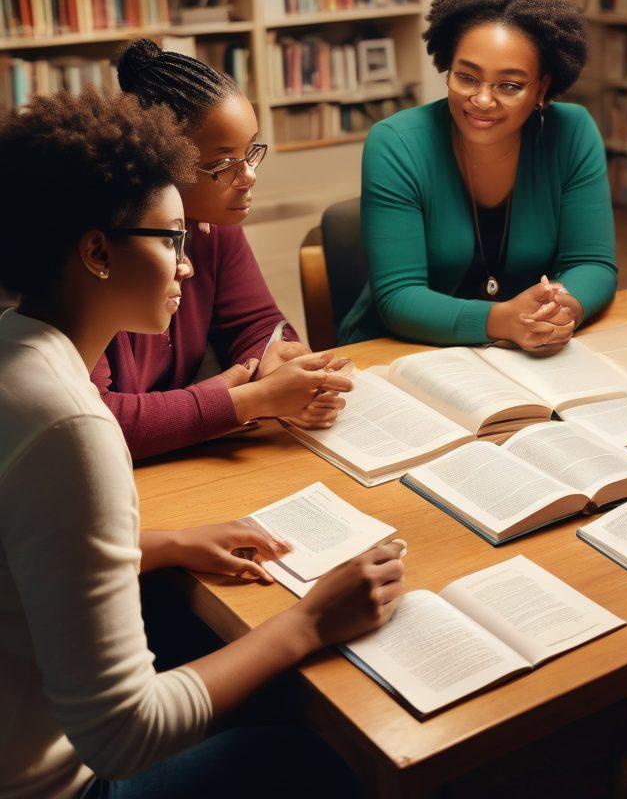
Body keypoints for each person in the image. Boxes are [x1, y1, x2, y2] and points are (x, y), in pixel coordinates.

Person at [0, 88, 405, 798]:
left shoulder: (16, 354)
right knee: (325, 752)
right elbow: (124, 735)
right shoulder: (75, 428)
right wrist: (309, 622)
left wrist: (167, 543)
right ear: (97, 251)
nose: (189, 265)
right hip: (49, 783)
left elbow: (24, 554)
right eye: (172, 240)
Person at [337, 0, 617, 350]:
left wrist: (562, 309)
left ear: (542, 88)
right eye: (467, 77)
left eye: (509, 85)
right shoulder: (395, 143)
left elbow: (593, 264)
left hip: (522, 354)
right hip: (400, 351)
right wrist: (504, 320)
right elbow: (398, 297)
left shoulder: (572, 132)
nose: (482, 100)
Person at [92, 39, 348, 461]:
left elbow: (255, 320)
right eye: (224, 163)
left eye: (249, 152)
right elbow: (95, 420)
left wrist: (275, 359)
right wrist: (250, 400)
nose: (247, 175)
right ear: (163, 162)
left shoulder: (214, 223)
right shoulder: (102, 256)